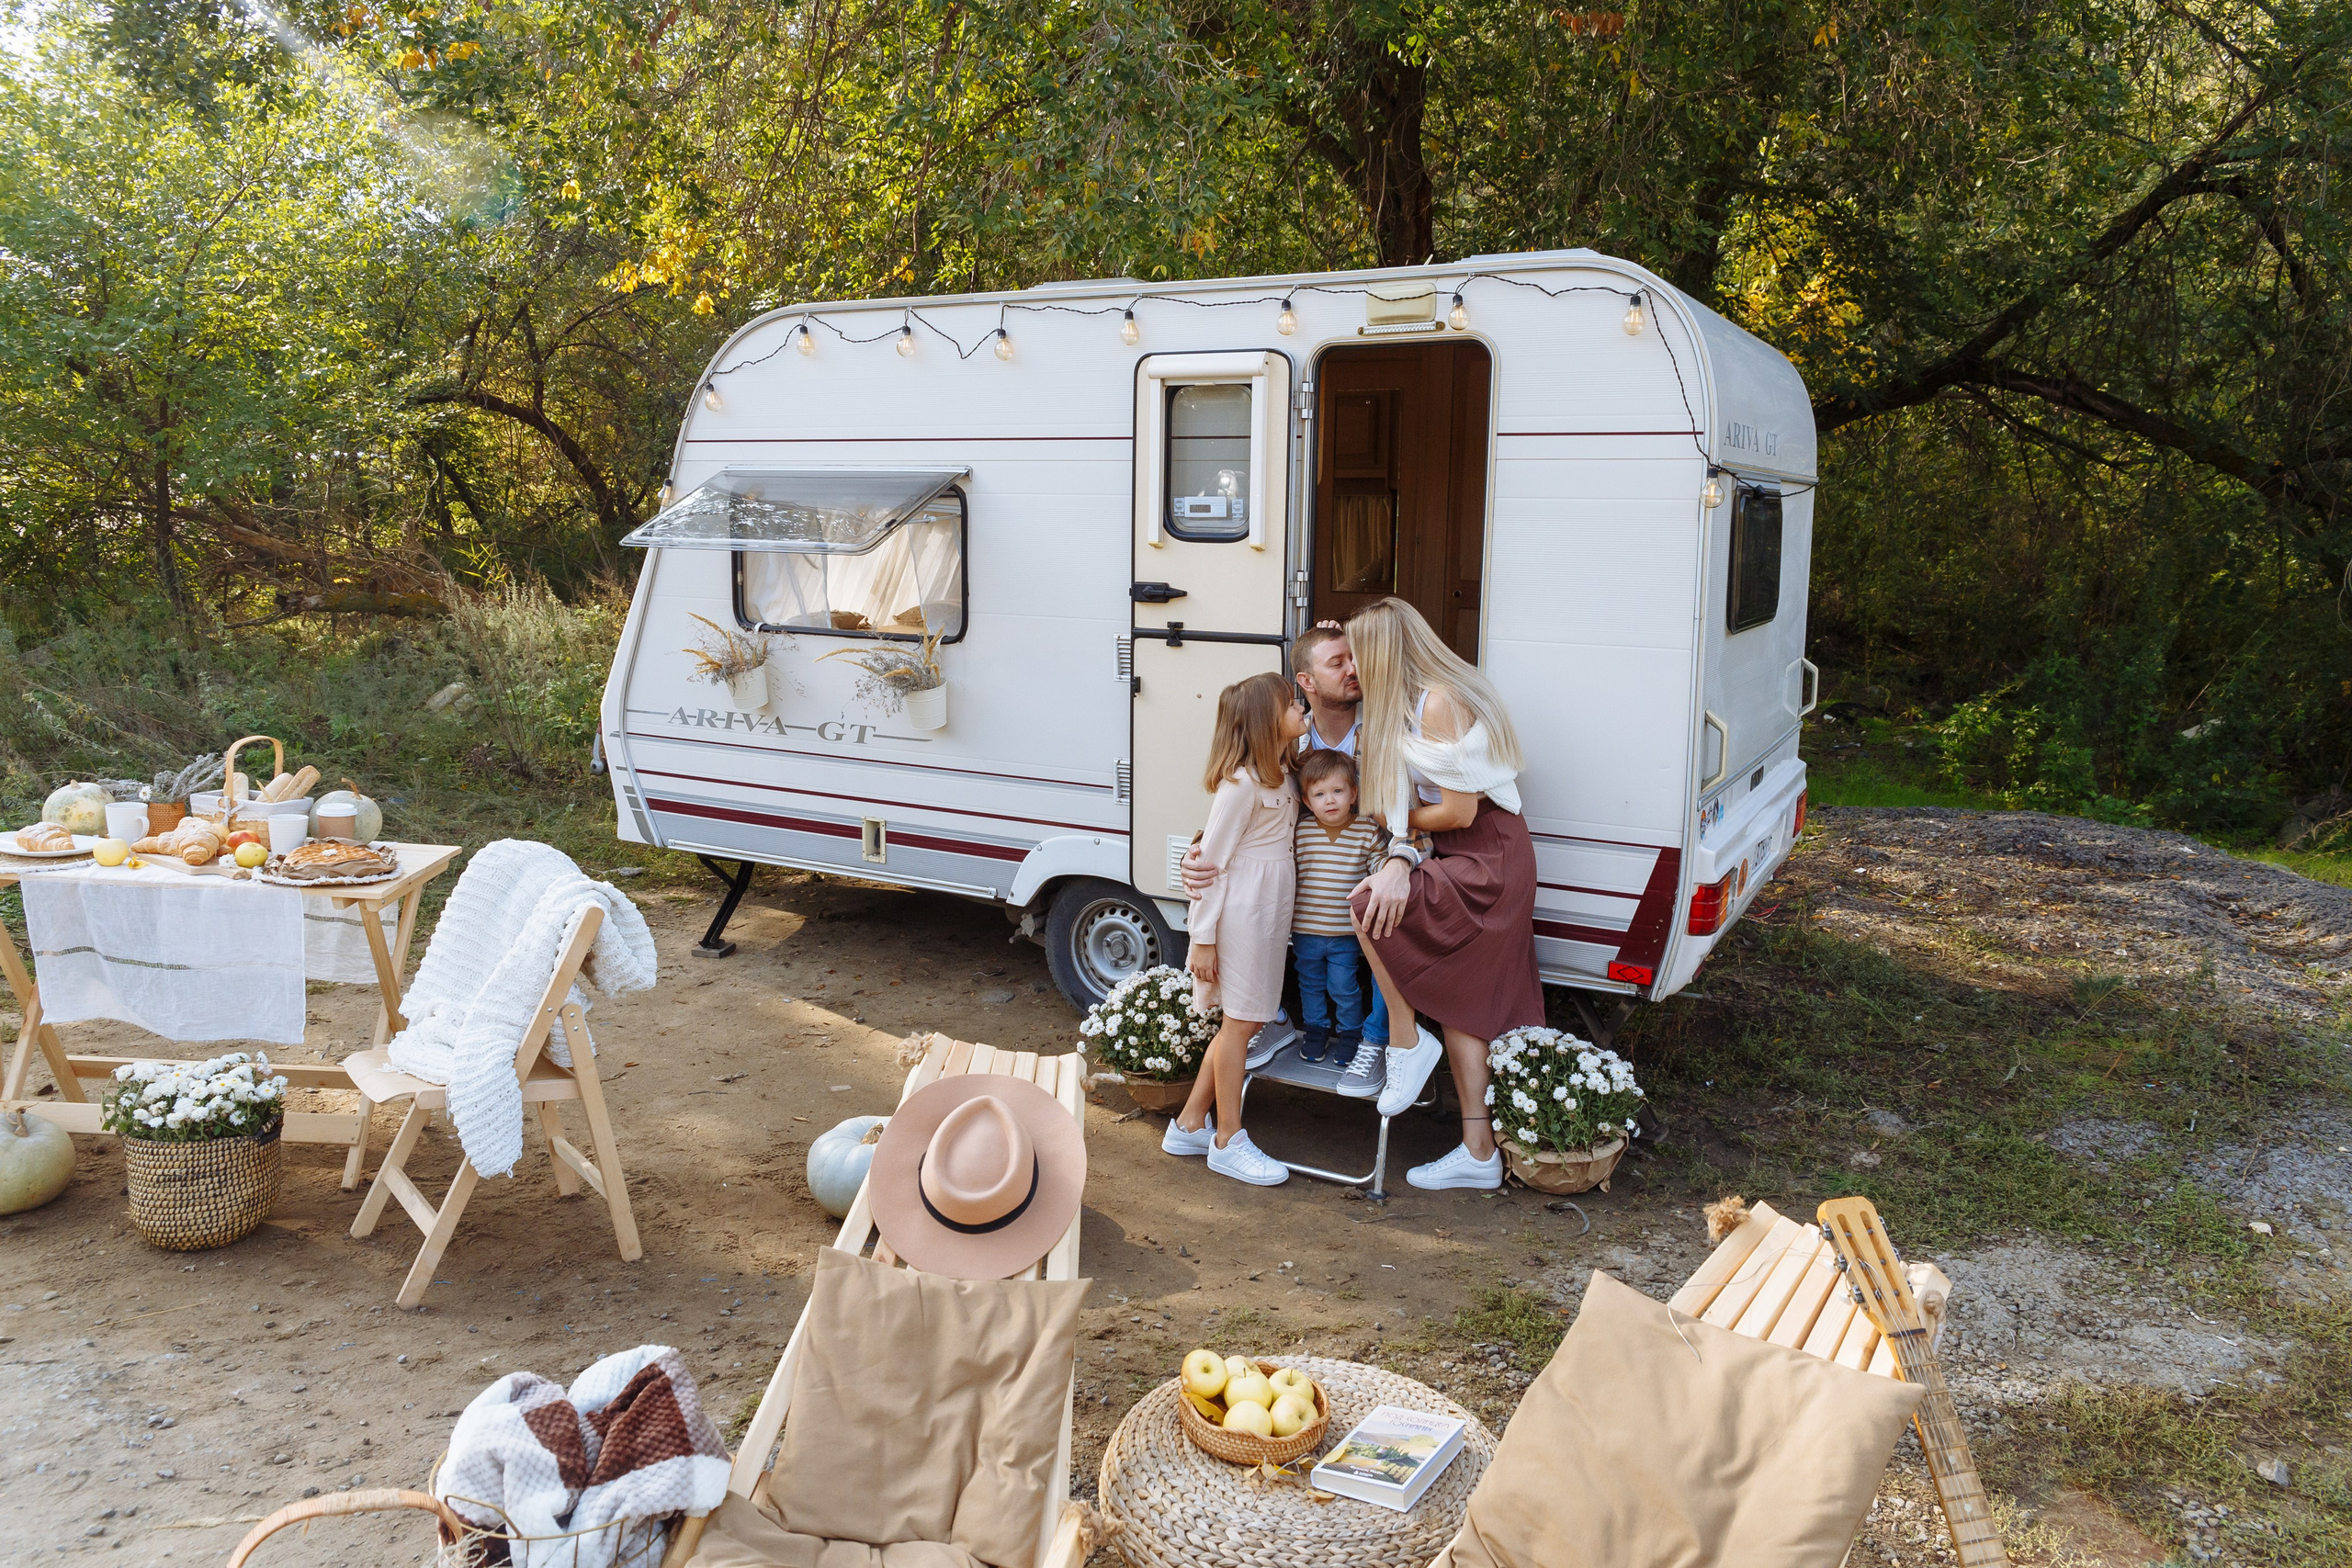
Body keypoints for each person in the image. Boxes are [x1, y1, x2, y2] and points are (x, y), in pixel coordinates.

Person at [1346, 597, 1544, 1191]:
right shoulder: (1416, 702)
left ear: (1382, 652)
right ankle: (1478, 1152)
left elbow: (1459, 809)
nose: (1353, 666)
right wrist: (1402, 846)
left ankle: (1407, 1042)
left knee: (1365, 905)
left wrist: (1392, 819)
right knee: (1466, 1003)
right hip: (1473, 852)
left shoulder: (1437, 702)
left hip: (1490, 857)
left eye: (1359, 652)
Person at [1161, 671, 1306, 1187]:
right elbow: (1211, 866)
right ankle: (1228, 1140)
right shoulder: (1241, 786)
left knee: (1238, 1025)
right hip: (1241, 917)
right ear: (1269, 721)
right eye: (1293, 705)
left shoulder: (1283, 774)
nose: (1302, 712)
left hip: (1266, 916)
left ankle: (1187, 1124)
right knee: (1241, 1025)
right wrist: (1201, 937)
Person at [1289, 749, 1386, 1063]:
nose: (1329, 800)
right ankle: (1316, 1028)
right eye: (1319, 794)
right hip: (1306, 930)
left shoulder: (1366, 831)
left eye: (1337, 791)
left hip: (1346, 931)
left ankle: (1350, 1032)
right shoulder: (1301, 831)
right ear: (1306, 801)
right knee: (1310, 983)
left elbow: (1381, 869)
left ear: (1353, 794)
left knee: (1343, 985)